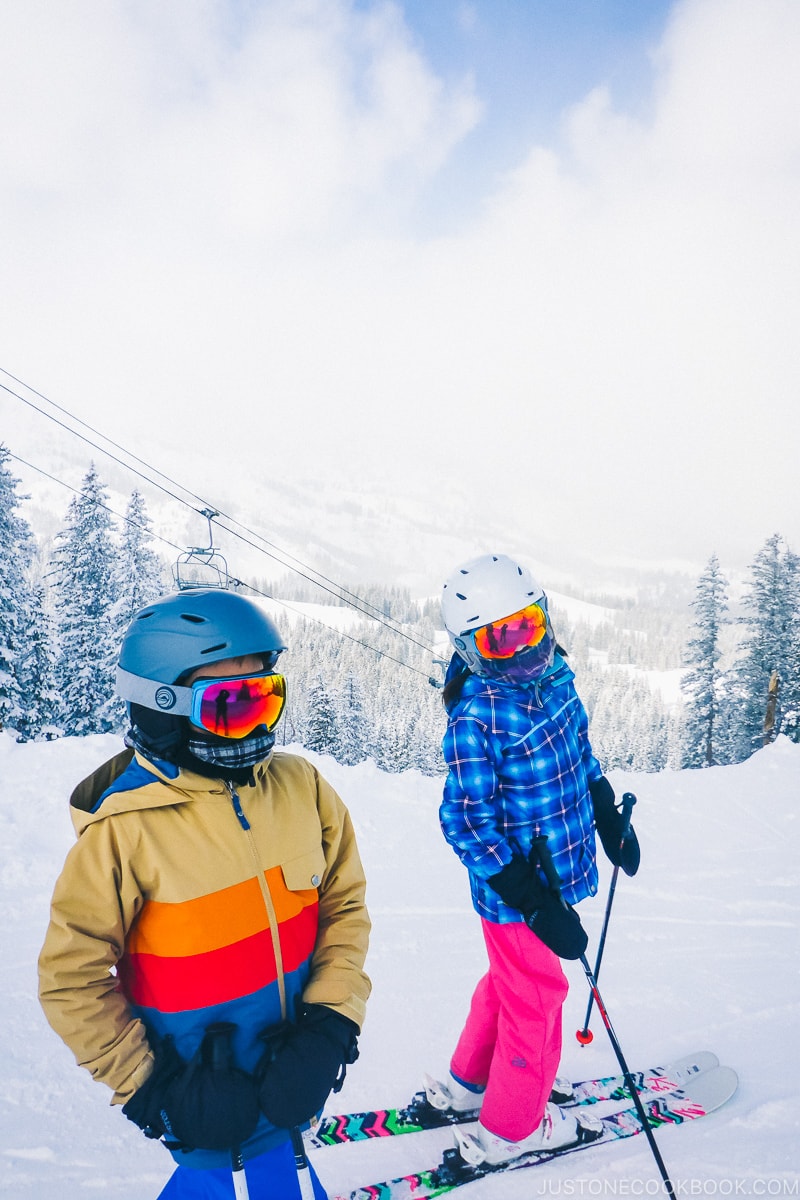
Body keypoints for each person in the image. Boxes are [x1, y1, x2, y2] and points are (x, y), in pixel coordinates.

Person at [38, 588, 371, 1199]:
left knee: (283, 1178)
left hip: (292, 1074)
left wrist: (328, 1023)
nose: (257, 723)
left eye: (266, 698)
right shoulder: (123, 832)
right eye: (231, 704)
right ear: (163, 708)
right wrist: (151, 1088)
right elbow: (71, 979)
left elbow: (344, 906)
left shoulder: (300, 788)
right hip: (197, 1094)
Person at [428, 553, 639, 1167]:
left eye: (531, 625)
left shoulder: (557, 679)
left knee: (509, 986)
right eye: (503, 636)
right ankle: (513, 1127)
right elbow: (464, 822)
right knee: (539, 999)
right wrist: (533, 899)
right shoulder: (479, 716)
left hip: (554, 878)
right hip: (517, 894)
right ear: (471, 647)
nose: (525, 647)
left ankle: (469, 1087)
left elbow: (581, 755)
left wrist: (606, 817)